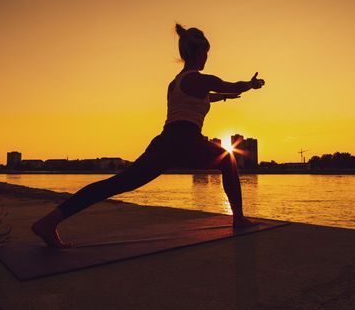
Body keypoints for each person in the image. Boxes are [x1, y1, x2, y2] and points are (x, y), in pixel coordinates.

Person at [32, 24, 265, 248]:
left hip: (165, 142)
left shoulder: (175, 83)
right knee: (228, 159)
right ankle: (239, 219)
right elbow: (232, 85)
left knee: (119, 183)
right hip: (185, 140)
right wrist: (250, 84)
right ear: (200, 53)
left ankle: (49, 221)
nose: (207, 58)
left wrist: (222, 98)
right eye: (206, 52)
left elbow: (200, 99)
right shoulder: (202, 79)